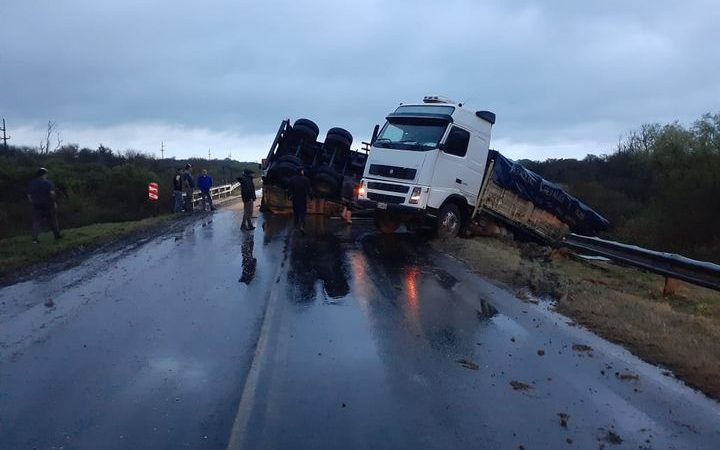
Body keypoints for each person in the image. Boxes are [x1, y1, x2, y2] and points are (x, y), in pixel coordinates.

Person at [27, 167, 63, 243]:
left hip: (37, 206)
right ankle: (57, 236)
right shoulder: (48, 183)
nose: (47, 175)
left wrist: (33, 203)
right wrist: (54, 202)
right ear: (44, 174)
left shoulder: (32, 183)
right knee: (53, 220)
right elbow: (52, 194)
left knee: (36, 222)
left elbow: (29, 196)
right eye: (46, 173)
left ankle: (34, 239)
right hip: (48, 205)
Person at [287, 168, 312, 232]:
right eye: (302, 171)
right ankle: (302, 225)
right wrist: (310, 197)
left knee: (296, 212)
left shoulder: (292, 179)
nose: (303, 172)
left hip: (295, 198)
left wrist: (289, 196)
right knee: (302, 212)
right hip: (303, 198)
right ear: (301, 172)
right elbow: (309, 189)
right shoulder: (306, 179)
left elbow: (289, 189)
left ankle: (296, 225)